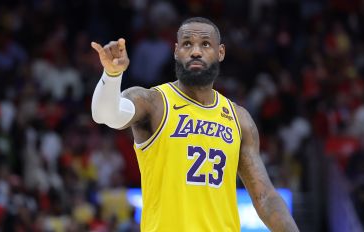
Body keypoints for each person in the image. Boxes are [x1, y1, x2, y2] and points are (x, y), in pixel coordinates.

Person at [90, 17, 299, 232]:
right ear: (176, 51)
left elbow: (265, 197)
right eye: (187, 44)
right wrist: (112, 75)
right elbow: (105, 114)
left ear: (221, 52)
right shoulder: (154, 102)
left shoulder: (239, 118)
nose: (195, 51)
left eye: (205, 44)